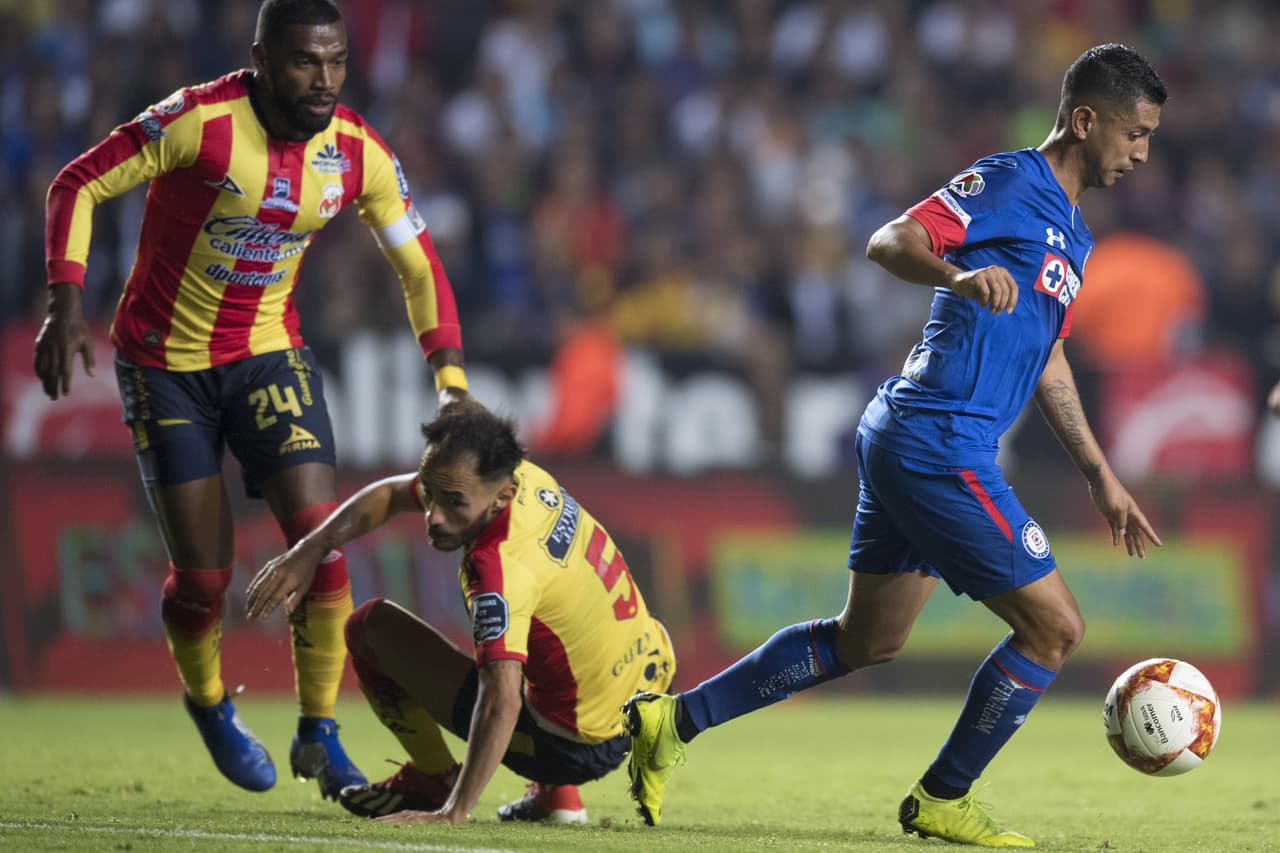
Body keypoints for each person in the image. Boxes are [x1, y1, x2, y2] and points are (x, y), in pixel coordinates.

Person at [623, 43, 1166, 847]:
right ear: (1085, 121)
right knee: (1055, 628)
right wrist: (956, 277)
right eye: (1135, 133)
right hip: (939, 441)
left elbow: (1047, 354)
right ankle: (945, 795)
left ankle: (672, 722)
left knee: (866, 639)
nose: (1142, 154)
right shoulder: (1012, 182)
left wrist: (1098, 473)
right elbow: (889, 240)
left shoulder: (1076, 238)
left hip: (916, 436)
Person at [33, 0, 470, 798]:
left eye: (337, 62)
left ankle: (319, 731)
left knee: (322, 539)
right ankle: (208, 704)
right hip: (164, 364)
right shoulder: (199, 121)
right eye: (307, 62)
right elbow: (78, 184)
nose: (325, 80)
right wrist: (65, 303)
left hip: (267, 353)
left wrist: (452, 382)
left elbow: (420, 266)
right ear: (263, 59)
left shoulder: (357, 153)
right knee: (204, 580)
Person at [244, 403, 677, 825]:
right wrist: (309, 548)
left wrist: (453, 812)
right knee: (537, 640)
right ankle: (554, 797)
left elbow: (500, 702)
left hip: (575, 746)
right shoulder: (520, 476)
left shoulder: (498, 568)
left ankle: (435, 778)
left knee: (370, 628)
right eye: (431, 495)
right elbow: (393, 493)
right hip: (647, 685)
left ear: (500, 496)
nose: (434, 517)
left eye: (453, 503)